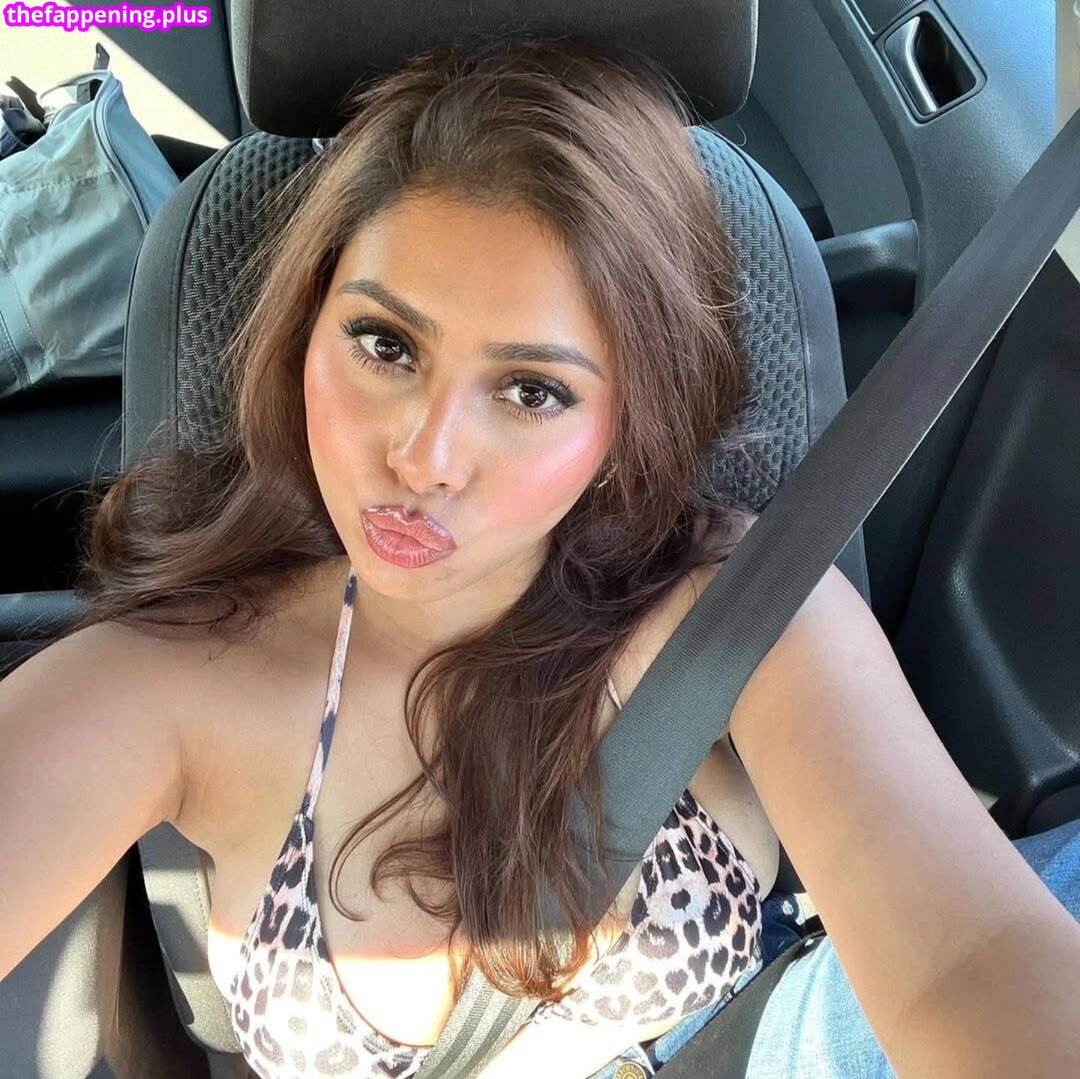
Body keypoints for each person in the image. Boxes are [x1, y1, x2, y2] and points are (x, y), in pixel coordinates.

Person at [2, 32, 1079, 1079]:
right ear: (306, 329)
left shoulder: (732, 610)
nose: (425, 458)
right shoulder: (184, 678)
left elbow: (967, 955)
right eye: (385, 344)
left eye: (531, 390)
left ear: (626, 422)